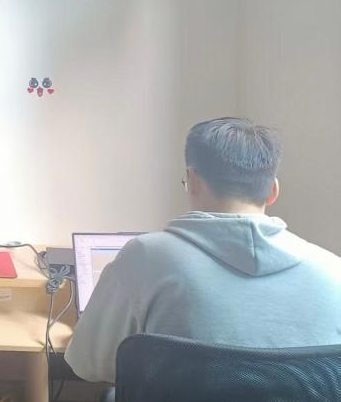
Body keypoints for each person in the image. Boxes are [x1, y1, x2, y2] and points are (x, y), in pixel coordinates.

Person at [65, 117, 341, 383]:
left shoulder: (145, 256)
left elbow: (86, 363)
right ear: (272, 190)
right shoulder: (332, 271)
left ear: (192, 179)